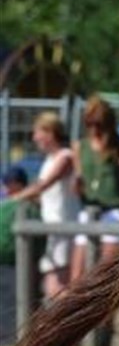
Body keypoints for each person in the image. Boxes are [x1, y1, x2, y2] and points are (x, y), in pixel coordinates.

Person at [71, 96, 119, 346]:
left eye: (98, 125)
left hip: (113, 211)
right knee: (77, 276)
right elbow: (79, 183)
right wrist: (77, 184)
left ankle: (103, 339)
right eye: (90, 125)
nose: (95, 130)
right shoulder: (80, 147)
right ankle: (74, 335)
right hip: (89, 210)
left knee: (107, 273)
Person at [8, 114, 80, 300]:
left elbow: (44, 185)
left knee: (57, 287)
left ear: (50, 133)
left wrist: (12, 199)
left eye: (37, 132)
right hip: (50, 229)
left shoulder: (65, 157)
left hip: (63, 228)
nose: (34, 138)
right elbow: (43, 195)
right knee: (50, 286)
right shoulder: (49, 160)